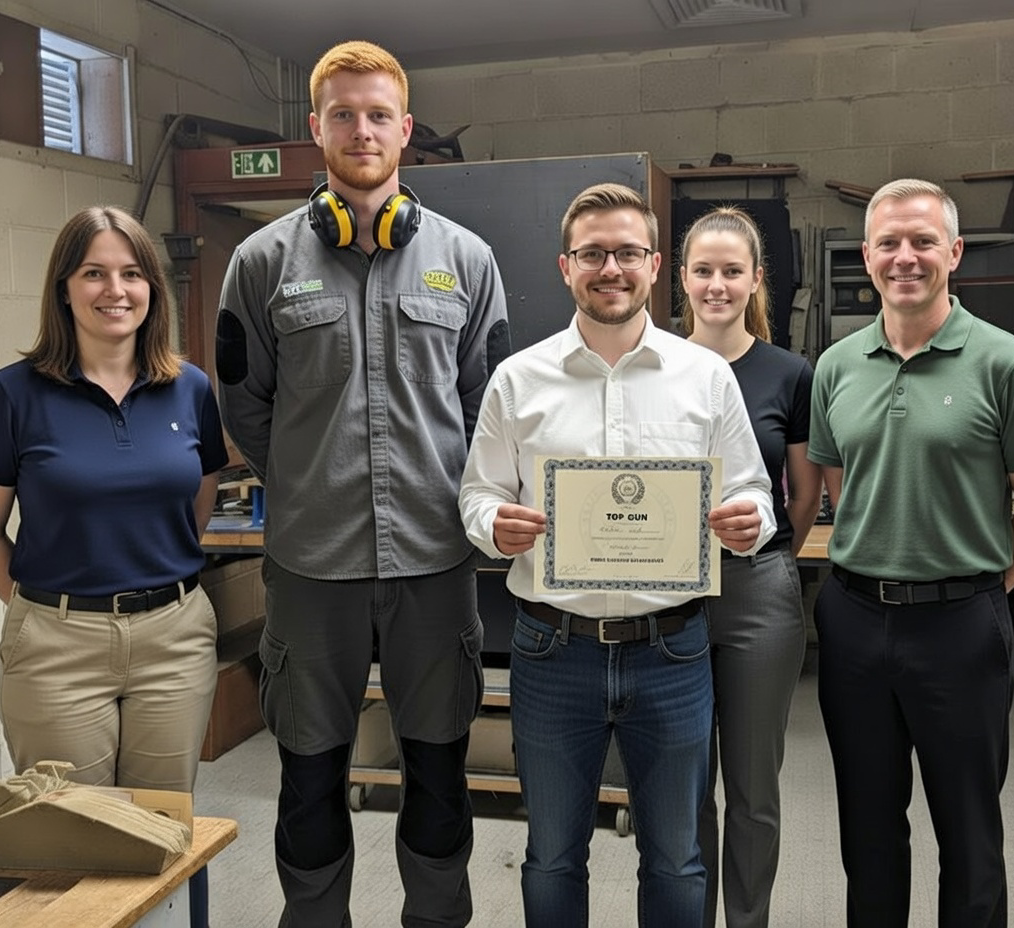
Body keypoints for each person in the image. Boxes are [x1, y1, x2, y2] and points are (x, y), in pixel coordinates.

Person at [214, 40, 510, 928]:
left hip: (432, 563)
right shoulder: (263, 263)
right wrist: (312, 482)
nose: (361, 129)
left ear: (405, 128)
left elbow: (484, 411)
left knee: (436, 771)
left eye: (378, 113)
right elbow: (247, 409)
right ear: (315, 129)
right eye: (342, 113)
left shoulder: (467, 259)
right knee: (307, 776)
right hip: (311, 571)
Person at [459, 182, 776, 928]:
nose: (611, 268)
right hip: (550, 648)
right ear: (565, 266)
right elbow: (476, 496)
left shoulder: (705, 377)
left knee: (675, 857)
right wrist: (491, 525)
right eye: (593, 254)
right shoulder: (519, 379)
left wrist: (746, 522)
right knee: (552, 856)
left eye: (627, 253)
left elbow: (757, 493)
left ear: (655, 265)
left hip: (671, 650)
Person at [808, 178, 1014, 928]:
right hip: (851, 621)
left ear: (954, 251)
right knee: (869, 833)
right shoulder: (836, 366)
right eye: (889, 242)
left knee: (970, 832)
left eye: (921, 241)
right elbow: (845, 492)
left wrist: (977, 593)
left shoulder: (1009, 365)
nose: (904, 257)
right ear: (868, 254)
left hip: (961, 626)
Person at [0, 205, 226, 792]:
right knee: (73, 834)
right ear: (64, 289)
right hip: (58, 647)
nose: (116, 290)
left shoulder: (190, 389)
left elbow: (195, 505)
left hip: (174, 640)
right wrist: (45, 613)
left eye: (132, 273)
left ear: (152, 288)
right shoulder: (11, 395)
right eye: (94, 273)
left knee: (160, 829)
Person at [680, 206, 821, 928]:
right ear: (680, 278)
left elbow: (802, 494)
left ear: (756, 280)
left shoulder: (788, 373)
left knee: (753, 787)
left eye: (732, 271)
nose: (717, 284)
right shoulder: (657, 364)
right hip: (667, 598)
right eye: (703, 270)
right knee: (685, 785)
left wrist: (762, 560)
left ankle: (750, 920)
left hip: (758, 595)